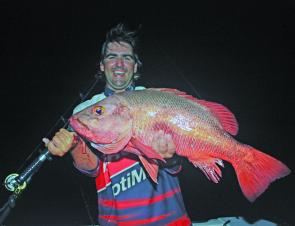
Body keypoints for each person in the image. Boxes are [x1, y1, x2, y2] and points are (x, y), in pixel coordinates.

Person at [44, 23, 192, 226]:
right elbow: (92, 169)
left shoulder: (155, 101)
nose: (119, 64)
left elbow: (175, 167)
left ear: (136, 66)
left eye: (127, 57)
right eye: (112, 57)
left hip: (170, 219)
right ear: (102, 65)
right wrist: (74, 145)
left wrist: (171, 157)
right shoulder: (85, 111)